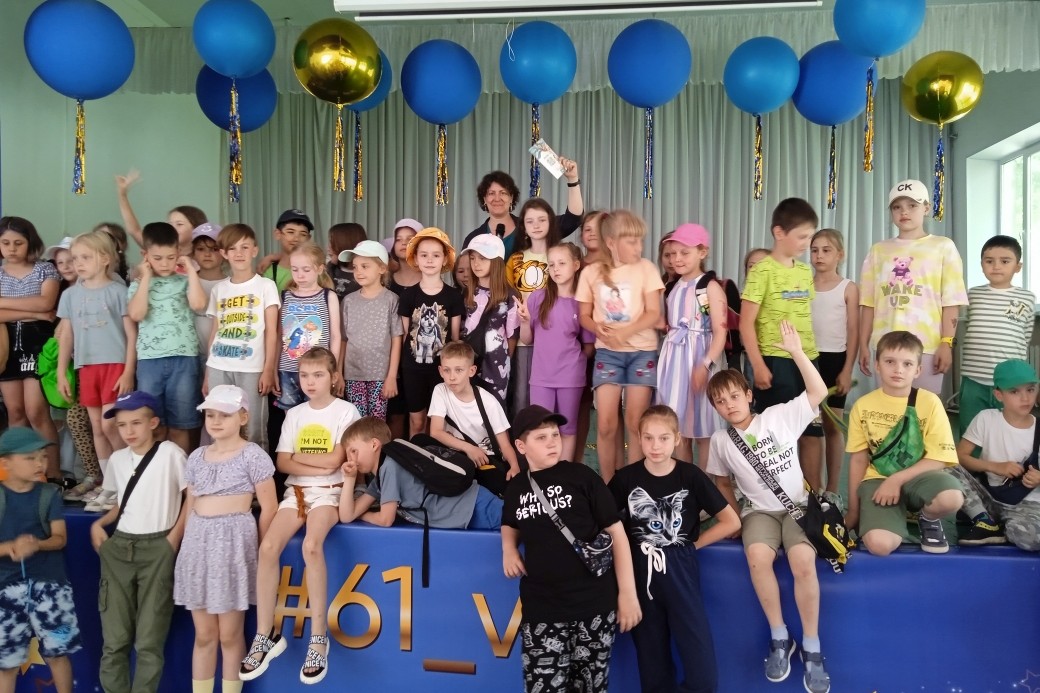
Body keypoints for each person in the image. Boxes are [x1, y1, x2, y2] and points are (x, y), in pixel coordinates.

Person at [706, 321, 831, 693]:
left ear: (748, 395)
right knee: (758, 558)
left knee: (802, 561)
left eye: (734, 396)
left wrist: (797, 352)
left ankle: (812, 645)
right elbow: (722, 482)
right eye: (720, 401)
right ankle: (780, 636)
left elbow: (819, 391)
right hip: (758, 513)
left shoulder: (778, 417)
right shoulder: (720, 441)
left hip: (797, 507)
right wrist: (733, 519)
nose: (729, 405)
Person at [501, 405, 642, 692]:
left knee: (591, 687)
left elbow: (617, 532)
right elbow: (509, 522)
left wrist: (628, 594)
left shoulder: (582, 476)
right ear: (521, 446)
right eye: (541, 437)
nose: (552, 442)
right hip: (542, 609)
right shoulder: (516, 488)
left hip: (594, 606)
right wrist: (508, 548)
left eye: (555, 434)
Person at [242, 347, 359, 685]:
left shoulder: (346, 411)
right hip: (296, 493)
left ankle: (318, 638)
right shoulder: (294, 414)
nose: (310, 381)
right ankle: (266, 634)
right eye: (304, 375)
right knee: (267, 549)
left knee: (311, 546)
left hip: (330, 493)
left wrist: (306, 461)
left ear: (333, 378)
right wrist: (320, 464)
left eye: (318, 375)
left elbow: (336, 460)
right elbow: (282, 462)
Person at [609, 406, 740, 693]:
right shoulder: (626, 479)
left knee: (702, 670)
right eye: (649, 438)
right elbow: (605, 524)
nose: (656, 446)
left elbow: (731, 521)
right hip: (641, 574)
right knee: (652, 664)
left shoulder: (690, 476)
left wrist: (692, 546)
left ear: (677, 439)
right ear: (639, 439)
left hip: (681, 570)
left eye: (664, 438)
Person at [175, 385, 277, 693]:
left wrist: (261, 551)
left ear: (243, 417)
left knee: (230, 635)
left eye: (225, 415)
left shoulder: (253, 455)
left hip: (233, 546)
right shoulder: (196, 457)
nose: (216, 421)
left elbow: (269, 507)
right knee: (204, 634)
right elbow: (190, 504)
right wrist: (182, 545)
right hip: (198, 545)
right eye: (210, 415)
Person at [90, 391, 188, 693]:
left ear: (153, 423)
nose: (128, 431)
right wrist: (99, 524)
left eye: (136, 423)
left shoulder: (170, 453)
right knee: (114, 639)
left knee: (149, 640)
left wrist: (172, 539)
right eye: (122, 425)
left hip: (157, 546)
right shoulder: (118, 459)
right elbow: (122, 502)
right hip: (119, 546)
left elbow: (192, 497)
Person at [845, 331, 964, 555]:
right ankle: (892, 517)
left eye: (907, 364)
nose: (898, 369)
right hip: (877, 480)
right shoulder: (863, 405)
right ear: (877, 365)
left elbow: (939, 458)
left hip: (919, 477)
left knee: (951, 497)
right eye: (890, 361)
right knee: (880, 546)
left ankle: (928, 519)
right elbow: (858, 459)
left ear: (918, 370)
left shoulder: (930, 402)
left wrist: (897, 479)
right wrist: (853, 511)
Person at [576, 210, 665, 482]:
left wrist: (625, 332)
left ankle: (633, 483)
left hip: (642, 353)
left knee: (636, 423)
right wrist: (597, 328)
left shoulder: (647, 269)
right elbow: (584, 316)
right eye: (632, 241)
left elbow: (654, 313)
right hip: (608, 355)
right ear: (611, 242)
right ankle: (608, 483)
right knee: (605, 424)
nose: (639, 247)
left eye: (640, 241)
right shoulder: (591, 272)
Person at [739, 198, 823, 485]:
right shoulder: (762, 270)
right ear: (779, 233)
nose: (807, 243)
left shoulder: (804, 271)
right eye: (802, 237)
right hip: (776, 362)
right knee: (774, 433)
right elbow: (746, 323)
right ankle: (772, 491)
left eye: (810, 236)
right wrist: (758, 366)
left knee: (812, 431)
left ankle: (813, 495)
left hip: (807, 360)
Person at [858, 179, 968, 394]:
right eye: (897, 207)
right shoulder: (878, 250)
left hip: (927, 346)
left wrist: (946, 342)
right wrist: (864, 344)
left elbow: (951, 301)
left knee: (924, 409)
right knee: (889, 409)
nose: (904, 212)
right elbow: (868, 303)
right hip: (885, 345)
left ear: (926, 208)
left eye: (912, 205)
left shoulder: (943, 246)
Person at [57, 231, 137, 510]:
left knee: (109, 424)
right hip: (86, 366)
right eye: (75, 258)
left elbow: (131, 334)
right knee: (97, 429)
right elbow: (66, 336)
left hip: (114, 364)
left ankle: (126, 479)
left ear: (104, 258)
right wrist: (61, 372)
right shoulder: (69, 295)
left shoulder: (118, 292)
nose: (77, 263)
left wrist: (129, 371)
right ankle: (109, 484)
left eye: (85, 257)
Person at [0, 427, 81, 693]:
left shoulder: (49, 494)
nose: (40, 464)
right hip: (5, 589)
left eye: (43, 457)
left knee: (58, 653)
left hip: (50, 588)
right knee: (6, 663)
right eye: (30, 458)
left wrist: (37, 544)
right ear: (6, 463)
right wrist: (10, 547)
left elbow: (60, 538)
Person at [338, 416, 503, 529]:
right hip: (468, 509)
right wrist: (350, 478)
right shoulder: (381, 476)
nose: (350, 458)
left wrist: (363, 515)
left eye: (353, 451)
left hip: (476, 506)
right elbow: (347, 516)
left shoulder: (390, 467)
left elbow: (385, 519)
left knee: (517, 528)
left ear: (374, 444)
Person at [128, 222, 207, 453]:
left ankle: (181, 473)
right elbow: (137, 314)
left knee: (180, 426)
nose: (164, 263)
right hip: (149, 361)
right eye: (157, 258)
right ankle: (156, 470)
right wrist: (145, 277)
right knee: (154, 426)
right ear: (145, 255)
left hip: (184, 359)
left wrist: (190, 270)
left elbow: (199, 304)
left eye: (171, 257)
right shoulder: (137, 285)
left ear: (179, 254)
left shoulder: (185, 282)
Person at [203, 224, 280, 449]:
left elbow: (272, 331)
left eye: (245, 247)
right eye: (233, 248)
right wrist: (207, 372)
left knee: (253, 427)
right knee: (219, 424)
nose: (239, 253)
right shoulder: (219, 289)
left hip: (252, 368)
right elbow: (215, 332)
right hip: (218, 365)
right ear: (224, 253)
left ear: (254, 250)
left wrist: (268, 369)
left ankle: (257, 470)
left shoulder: (266, 286)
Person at [656, 223, 727, 467]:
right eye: (673, 253)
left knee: (703, 428)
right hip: (674, 363)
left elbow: (720, 332)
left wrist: (705, 365)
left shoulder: (709, 287)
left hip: (699, 361)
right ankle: (685, 481)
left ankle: (705, 482)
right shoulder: (673, 287)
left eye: (684, 253)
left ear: (702, 252)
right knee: (678, 428)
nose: (677, 259)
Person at [519, 242, 595, 463]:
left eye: (561, 263)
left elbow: (589, 346)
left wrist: (572, 363)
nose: (556, 269)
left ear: (576, 265)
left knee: (567, 428)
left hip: (571, 378)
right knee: (539, 428)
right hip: (541, 378)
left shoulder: (582, 303)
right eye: (551, 265)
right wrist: (524, 321)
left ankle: (564, 473)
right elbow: (527, 339)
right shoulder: (537, 298)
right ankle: (543, 472)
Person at [954, 359, 1040, 547]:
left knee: (1029, 538)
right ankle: (984, 520)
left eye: (1030, 390)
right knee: (945, 466)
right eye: (1014, 391)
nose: (1025, 398)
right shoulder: (986, 419)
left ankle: (1004, 528)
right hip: (987, 498)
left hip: (1025, 505)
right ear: (999, 395)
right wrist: (995, 467)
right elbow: (959, 457)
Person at [0, 216, 61, 478]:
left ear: (30, 243)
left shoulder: (45, 270)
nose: (12, 248)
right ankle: (19, 475)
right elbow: (39, 308)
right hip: (6, 342)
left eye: (18, 243)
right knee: (15, 411)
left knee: (36, 411)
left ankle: (54, 475)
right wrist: (34, 311)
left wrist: (5, 303)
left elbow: (46, 303)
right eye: (5, 243)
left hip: (37, 341)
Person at [958, 235, 1035, 436]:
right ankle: (971, 459)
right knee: (970, 430)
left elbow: (1025, 336)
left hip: (1011, 381)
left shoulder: (1027, 298)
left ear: (1018, 267)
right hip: (974, 379)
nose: (996, 266)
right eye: (989, 261)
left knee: (1009, 430)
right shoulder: (972, 294)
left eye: (1005, 261)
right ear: (982, 265)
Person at [397, 228, 464, 437]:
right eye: (424, 255)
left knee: (439, 423)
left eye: (436, 255)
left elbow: (455, 338)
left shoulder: (454, 296)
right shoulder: (408, 296)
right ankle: (414, 456)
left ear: (444, 259)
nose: (429, 260)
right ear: (416, 259)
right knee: (417, 422)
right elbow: (404, 335)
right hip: (412, 368)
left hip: (442, 369)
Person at [809, 229, 859, 505]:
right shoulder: (803, 285)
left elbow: (853, 331)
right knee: (808, 428)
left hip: (835, 361)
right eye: (815, 250)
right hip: (806, 360)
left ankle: (831, 488)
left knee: (832, 427)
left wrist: (847, 369)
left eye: (826, 250)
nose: (819, 255)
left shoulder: (848, 288)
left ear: (840, 254)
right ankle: (811, 486)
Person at [428, 341, 521, 479]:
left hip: (484, 459)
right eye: (447, 370)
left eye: (459, 370)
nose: (452, 377)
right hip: (456, 454)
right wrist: (469, 448)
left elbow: (505, 445)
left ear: (471, 371)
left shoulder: (489, 402)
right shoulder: (440, 390)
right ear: (441, 371)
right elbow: (436, 432)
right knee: (420, 441)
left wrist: (514, 467)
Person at [506, 198, 562, 413]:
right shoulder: (515, 259)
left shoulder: (559, 256)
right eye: (530, 221)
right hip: (524, 336)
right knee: (522, 395)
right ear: (523, 227)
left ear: (551, 222)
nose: (536, 225)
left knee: (550, 398)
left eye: (541, 220)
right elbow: (508, 297)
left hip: (553, 336)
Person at [463, 161, 584, 258]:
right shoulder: (473, 239)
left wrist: (572, 179)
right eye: (491, 193)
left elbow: (573, 219)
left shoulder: (531, 226)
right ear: (484, 199)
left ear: (511, 198)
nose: (497, 198)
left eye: (503, 193)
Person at [339, 240, 403, 420]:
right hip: (353, 374)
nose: (358, 271)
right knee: (357, 422)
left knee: (377, 422)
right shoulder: (348, 301)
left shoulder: (391, 300)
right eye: (355, 267)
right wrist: (338, 372)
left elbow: (396, 339)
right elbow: (343, 339)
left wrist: (391, 376)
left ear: (382, 268)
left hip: (380, 375)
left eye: (365, 266)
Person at [276, 243, 342, 411]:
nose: (300, 275)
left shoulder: (328, 296)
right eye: (295, 269)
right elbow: (279, 335)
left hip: (318, 370)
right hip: (288, 368)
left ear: (319, 269)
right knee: (291, 414)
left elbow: (336, 336)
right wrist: (273, 368)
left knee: (319, 411)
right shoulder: (285, 296)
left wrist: (332, 369)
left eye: (306, 270)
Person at [461, 234, 519, 401]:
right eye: (472, 258)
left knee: (494, 408)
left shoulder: (509, 296)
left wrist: (503, 361)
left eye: (483, 258)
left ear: (496, 261)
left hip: (496, 365)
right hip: (468, 363)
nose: (476, 263)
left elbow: (512, 336)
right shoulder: (467, 293)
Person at [115, 169, 207, 256]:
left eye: (179, 224)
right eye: (169, 224)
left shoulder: (206, 256)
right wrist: (122, 194)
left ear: (196, 228)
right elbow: (134, 230)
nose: (172, 228)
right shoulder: (158, 248)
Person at [191, 223, 228, 374]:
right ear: (193, 253)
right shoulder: (187, 282)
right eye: (201, 249)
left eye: (214, 249)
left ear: (224, 253)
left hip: (222, 356)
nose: (207, 254)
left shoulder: (231, 284)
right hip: (191, 356)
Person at [261, 210, 314, 292]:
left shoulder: (316, 269)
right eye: (290, 232)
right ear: (278, 234)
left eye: (303, 234)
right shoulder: (268, 271)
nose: (296, 239)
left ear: (308, 238)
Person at [326, 222, 366, 299]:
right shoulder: (330, 269)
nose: (328, 248)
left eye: (332, 243)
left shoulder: (367, 274)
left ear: (345, 245)